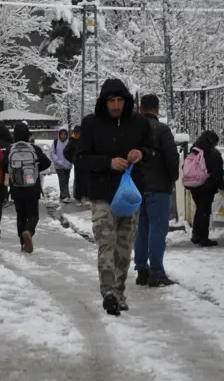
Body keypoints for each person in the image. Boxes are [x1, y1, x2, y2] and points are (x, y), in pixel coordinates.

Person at [76, 79, 154, 316]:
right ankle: (109, 292)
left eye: (120, 100)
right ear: (104, 102)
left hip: (130, 195)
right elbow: (80, 157)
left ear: (126, 101)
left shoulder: (139, 123)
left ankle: (119, 291)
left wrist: (140, 153)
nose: (116, 105)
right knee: (106, 243)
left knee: (124, 246)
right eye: (112, 101)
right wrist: (107, 162)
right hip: (102, 194)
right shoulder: (90, 124)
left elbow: (153, 151)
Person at [133, 95, 180, 288]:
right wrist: (173, 177)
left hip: (137, 187)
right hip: (158, 186)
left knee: (142, 229)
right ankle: (157, 272)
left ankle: (141, 269)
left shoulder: (133, 129)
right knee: (157, 230)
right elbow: (171, 158)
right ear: (157, 108)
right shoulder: (162, 130)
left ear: (141, 108)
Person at [3, 123, 51, 252]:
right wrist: (34, 169)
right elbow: (47, 163)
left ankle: (22, 242)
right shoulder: (34, 148)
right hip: (32, 187)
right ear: (27, 135)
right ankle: (29, 231)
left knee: (21, 214)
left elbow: (3, 167)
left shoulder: (9, 149)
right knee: (33, 214)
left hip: (16, 188)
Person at [186, 131, 224, 249]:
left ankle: (196, 235)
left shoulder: (195, 150)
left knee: (199, 210)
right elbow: (217, 172)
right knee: (204, 212)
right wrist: (221, 185)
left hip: (194, 185)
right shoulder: (212, 153)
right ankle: (203, 238)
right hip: (206, 186)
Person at [50, 126, 73, 203]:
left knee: (65, 180)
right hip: (58, 166)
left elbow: (73, 153)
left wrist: (70, 161)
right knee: (62, 179)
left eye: (64, 134)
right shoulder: (55, 142)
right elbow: (52, 152)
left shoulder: (70, 142)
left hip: (67, 165)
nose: (63, 136)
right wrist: (58, 161)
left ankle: (63, 195)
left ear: (67, 135)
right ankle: (66, 196)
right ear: (59, 134)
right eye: (61, 134)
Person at [63, 126, 85, 203]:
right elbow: (65, 152)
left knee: (85, 180)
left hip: (85, 163)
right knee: (78, 180)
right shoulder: (72, 141)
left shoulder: (83, 141)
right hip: (78, 164)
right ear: (74, 133)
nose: (78, 134)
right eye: (77, 133)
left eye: (79, 133)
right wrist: (72, 160)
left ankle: (85, 195)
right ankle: (78, 196)